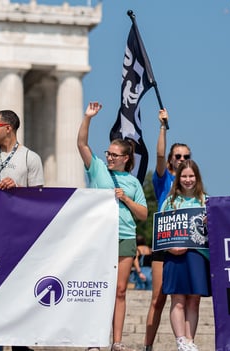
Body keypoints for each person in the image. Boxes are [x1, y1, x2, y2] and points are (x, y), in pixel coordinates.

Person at [77, 101, 148, 351]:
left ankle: (116, 341)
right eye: (107, 153)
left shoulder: (133, 183)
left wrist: (125, 198)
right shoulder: (96, 168)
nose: (108, 157)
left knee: (119, 291)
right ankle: (94, 340)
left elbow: (143, 214)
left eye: (114, 155)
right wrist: (88, 118)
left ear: (125, 159)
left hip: (125, 237)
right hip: (99, 237)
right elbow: (82, 145)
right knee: (98, 288)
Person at [0, 109, 44, 351]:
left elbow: (40, 200)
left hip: (18, 241)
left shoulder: (31, 158)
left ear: (8, 128)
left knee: (18, 298)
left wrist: (18, 188)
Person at [143, 109, 191, 351]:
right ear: (172, 159)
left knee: (185, 298)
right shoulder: (164, 179)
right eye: (178, 156)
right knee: (158, 298)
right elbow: (159, 154)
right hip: (164, 245)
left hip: (187, 246)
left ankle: (186, 343)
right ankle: (148, 346)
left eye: (186, 156)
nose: (181, 159)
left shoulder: (193, 184)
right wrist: (163, 126)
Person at [160, 159, 211, 351]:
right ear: (178, 177)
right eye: (184, 176)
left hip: (198, 256)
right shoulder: (170, 201)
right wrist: (170, 248)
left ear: (197, 178)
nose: (188, 179)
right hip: (175, 256)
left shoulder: (206, 200)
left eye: (191, 176)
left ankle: (190, 341)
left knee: (194, 300)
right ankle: (180, 340)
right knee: (178, 300)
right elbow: (161, 233)